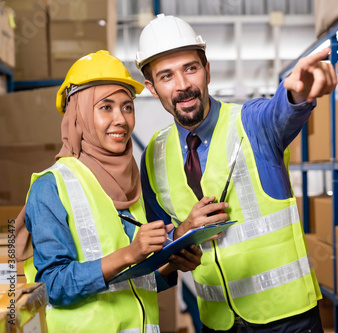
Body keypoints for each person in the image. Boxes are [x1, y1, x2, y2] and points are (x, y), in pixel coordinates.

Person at [137, 14, 336, 333]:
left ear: (208, 70)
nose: (184, 85)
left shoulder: (252, 123)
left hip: (288, 320)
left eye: (191, 68)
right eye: (166, 76)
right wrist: (182, 233)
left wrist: (298, 94)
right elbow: (158, 240)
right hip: (218, 323)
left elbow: (280, 113)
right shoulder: (153, 156)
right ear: (151, 87)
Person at [14, 50, 204, 333]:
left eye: (127, 107)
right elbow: (53, 285)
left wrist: (174, 259)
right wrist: (130, 253)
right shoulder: (51, 186)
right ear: (78, 115)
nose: (121, 120)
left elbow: (131, 283)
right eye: (106, 107)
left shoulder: (132, 182)